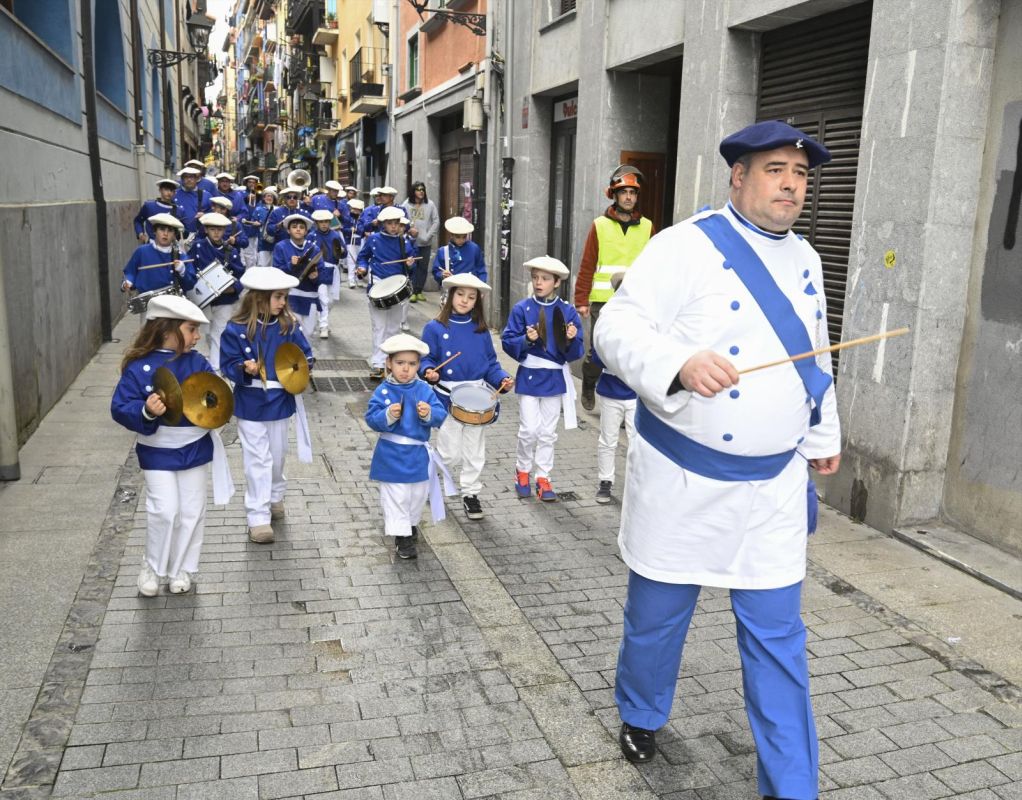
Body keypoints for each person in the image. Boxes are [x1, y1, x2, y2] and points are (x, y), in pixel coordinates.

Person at [594, 121, 841, 800]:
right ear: (738, 176)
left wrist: (823, 437)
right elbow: (614, 328)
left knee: (779, 644)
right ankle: (641, 712)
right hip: (683, 483)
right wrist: (678, 363)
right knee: (656, 621)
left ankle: (791, 787)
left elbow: (815, 357)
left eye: (800, 173)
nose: (791, 183)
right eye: (775, 170)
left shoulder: (810, 259)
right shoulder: (683, 247)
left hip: (772, 492)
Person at [111, 294, 233, 596]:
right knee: (165, 510)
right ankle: (152, 567)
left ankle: (182, 568)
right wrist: (146, 410)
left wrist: (218, 397)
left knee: (191, 510)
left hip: (193, 446)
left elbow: (212, 397)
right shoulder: (139, 368)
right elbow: (120, 405)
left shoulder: (198, 362)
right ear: (168, 329)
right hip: (157, 448)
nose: (197, 336)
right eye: (191, 329)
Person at [220, 267, 314, 544]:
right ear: (258, 298)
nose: (283, 302)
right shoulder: (235, 329)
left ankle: (275, 494)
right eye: (277, 297)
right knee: (256, 459)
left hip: (280, 400)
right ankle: (258, 517)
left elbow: (305, 356)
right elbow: (226, 364)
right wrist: (243, 368)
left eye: (284, 297)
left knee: (278, 453)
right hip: (250, 401)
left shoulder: (289, 327)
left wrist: (304, 369)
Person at [420, 274, 513, 520]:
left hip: (478, 399)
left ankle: (471, 493)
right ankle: (429, 480)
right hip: (448, 398)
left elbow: (491, 364)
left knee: (474, 452)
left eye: (471, 297)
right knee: (450, 453)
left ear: (477, 302)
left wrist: (501, 379)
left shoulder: (481, 331)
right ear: (450, 296)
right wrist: (427, 371)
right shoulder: (435, 328)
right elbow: (426, 359)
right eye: (460, 295)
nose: (465, 300)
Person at [500, 256, 584, 501]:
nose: (538, 282)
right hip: (529, 375)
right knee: (528, 429)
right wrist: (528, 340)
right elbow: (508, 341)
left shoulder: (567, 311)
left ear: (557, 282)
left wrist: (570, 338)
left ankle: (543, 476)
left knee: (547, 432)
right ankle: (522, 470)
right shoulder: (522, 309)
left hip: (555, 377)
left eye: (545, 279)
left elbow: (576, 351)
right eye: (535, 277)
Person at [574, 165, 654, 411]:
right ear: (614, 195)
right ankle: (589, 382)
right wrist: (581, 300)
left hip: (634, 302)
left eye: (633, 192)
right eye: (624, 192)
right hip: (603, 301)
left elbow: (655, 265)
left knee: (630, 351)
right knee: (599, 351)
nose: (629, 197)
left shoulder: (648, 226)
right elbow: (587, 264)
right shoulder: (599, 225)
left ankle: (624, 402)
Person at [365, 333, 449, 560]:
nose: (406, 369)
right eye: (400, 363)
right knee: (397, 497)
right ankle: (402, 539)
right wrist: (387, 415)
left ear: (419, 366)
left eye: (412, 364)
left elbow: (441, 414)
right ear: (389, 363)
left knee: (417, 496)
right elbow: (371, 418)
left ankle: (410, 526)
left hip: (417, 455)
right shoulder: (383, 391)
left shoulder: (424, 389)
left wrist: (429, 413)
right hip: (391, 456)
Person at [356, 206, 418, 379]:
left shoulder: (404, 242)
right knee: (379, 327)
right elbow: (363, 257)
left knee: (393, 328)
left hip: (397, 289)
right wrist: (361, 267)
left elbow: (411, 269)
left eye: (396, 223)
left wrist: (410, 263)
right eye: (390, 223)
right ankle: (377, 363)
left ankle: (391, 362)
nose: (393, 226)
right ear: (383, 224)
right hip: (378, 285)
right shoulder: (374, 240)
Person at [592, 272, 636, 504]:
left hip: (637, 393)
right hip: (611, 390)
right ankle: (605, 481)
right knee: (608, 439)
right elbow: (598, 355)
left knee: (637, 442)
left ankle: (635, 485)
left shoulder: (644, 320)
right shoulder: (607, 319)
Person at [189, 212, 245, 373]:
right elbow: (189, 269)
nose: (216, 233)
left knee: (219, 333)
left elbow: (241, 274)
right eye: (212, 229)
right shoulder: (198, 247)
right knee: (205, 333)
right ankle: (211, 359)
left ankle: (215, 369)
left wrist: (235, 287)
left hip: (225, 300)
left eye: (220, 230)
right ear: (206, 230)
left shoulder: (231, 251)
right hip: (203, 299)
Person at [121, 213, 199, 320]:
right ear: (155, 231)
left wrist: (182, 271)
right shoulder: (142, 251)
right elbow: (130, 272)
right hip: (149, 305)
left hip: (173, 306)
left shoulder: (180, 255)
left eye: (170, 231)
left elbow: (190, 284)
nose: (165, 234)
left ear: (174, 235)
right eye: (162, 229)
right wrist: (128, 282)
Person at [272, 214, 323, 341]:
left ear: (306, 231)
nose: (298, 229)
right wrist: (290, 265)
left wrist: (315, 277)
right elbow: (276, 272)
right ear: (288, 230)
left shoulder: (314, 248)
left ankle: (305, 359)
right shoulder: (281, 246)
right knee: (291, 331)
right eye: (294, 227)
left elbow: (323, 274)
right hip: (290, 296)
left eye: (301, 227)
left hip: (310, 296)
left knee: (309, 333)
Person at [309, 209, 344, 339]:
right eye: (321, 222)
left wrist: (342, 250)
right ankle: (323, 326)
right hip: (319, 268)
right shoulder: (311, 235)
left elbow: (343, 253)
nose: (324, 224)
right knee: (323, 299)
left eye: (326, 222)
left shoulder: (335, 235)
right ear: (316, 223)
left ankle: (323, 320)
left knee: (331, 301)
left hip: (333, 269)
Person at [402, 181, 439, 302]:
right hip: (411, 243)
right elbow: (402, 220)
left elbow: (436, 221)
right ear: (413, 191)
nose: (421, 191)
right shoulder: (406, 204)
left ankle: (419, 291)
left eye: (423, 189)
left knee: (423, 267)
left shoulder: (430, 204)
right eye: (418, 189)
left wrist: (428, 236)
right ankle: (411, 291)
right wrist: (408, 230)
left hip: (425, 242)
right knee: (412, 266)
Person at [432, 217, 487, 286]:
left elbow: (481, 269)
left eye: (464, 237)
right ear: (452, 235)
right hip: (452, 289)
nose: (461, 240)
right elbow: (436, 270)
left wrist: (481, 287)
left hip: (471, 287)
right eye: (458, 237)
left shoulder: (474, 248)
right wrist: (442, 275)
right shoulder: (443, 251)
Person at [132, 179, 183, 243]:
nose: (169, 192)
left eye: (172, 190)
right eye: (166, 189)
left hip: (170, 246)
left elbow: (182, 230)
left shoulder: (179, 210)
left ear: (174, 192)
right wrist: (140, 234)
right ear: (160, 190)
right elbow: (138, 221)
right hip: (151, 244)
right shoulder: (149, 206)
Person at [174, 167, 212, 238]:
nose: (189, 179)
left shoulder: (206, 196)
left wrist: (205, 215)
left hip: (201, 237)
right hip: (179, 237)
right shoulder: (174, 195)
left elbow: (214, 215)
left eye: (191, 177)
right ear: (182, 179)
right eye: (186, 177)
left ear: (196, 179)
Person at [254, 187, 278, 268]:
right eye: (267, 196)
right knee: (263, 265)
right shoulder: (258, 209)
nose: (269, 198)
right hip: (263, 240)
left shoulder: (277, 209)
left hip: (275, 240)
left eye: (271, 196)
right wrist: (255, 223)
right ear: (264, 198)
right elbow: (253, 221)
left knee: (274, 266)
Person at [345, 198, 366, 289]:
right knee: (351, 261)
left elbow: (363, 229)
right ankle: (351, 280)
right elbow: (343, 229)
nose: (355, 211)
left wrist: (358, 230)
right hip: (350, 241)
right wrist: (350, 230)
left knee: (360, 261)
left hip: (360, 241)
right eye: (354, 209)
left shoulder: (362, 219)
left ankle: (359, 278)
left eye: (358, 209)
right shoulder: (347, 218)